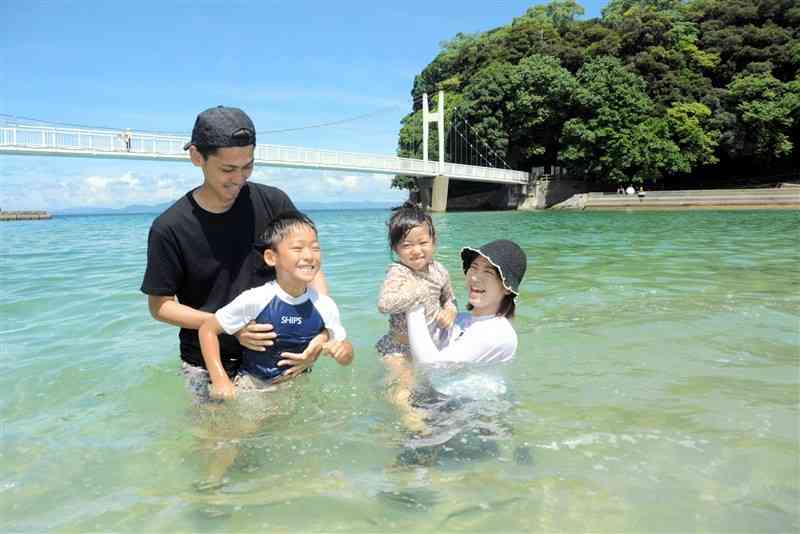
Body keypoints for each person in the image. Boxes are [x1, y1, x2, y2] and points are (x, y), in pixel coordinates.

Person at [141, 105, 352, 402]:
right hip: (209, 361)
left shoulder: (274, 202)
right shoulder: (169, 227)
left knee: (286, 440)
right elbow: (160, 306)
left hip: (283, 355)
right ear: (197, 157)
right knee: (220, 443)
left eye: (248, 166)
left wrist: (320, 335)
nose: (239, 178)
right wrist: (230, 324)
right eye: (228, 169)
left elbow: (310, 268)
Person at [199, 211, 352, 400]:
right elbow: (207, 330)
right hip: (254, 386)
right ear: (271, 257)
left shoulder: (324, 305)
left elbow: (345, 352)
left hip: (298, 386)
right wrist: (220, 379)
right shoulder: (256, 298)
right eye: (298, 248)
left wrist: (343, 352)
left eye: (315, 248)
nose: (309, 256)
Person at [376, 204, 457, 431]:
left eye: (423, 243)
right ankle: (409, 417)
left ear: (434, 241)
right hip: (398, 347)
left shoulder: (440, 270)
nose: (416, 251)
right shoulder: (399, 272)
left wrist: (450, 311)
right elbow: (384, 304)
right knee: (403, 385)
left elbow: (450, 299)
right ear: (395, 248)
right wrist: (418, 292)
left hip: (431, 344)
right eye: (407, 245)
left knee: (435, 387)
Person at [406, 239, 526, 364]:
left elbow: (431, 365)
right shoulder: (461, 320)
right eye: (474, 267)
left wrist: (413, 303)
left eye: (488, 272)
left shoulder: (499, 333)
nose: (475, 277)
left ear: (507, 288)